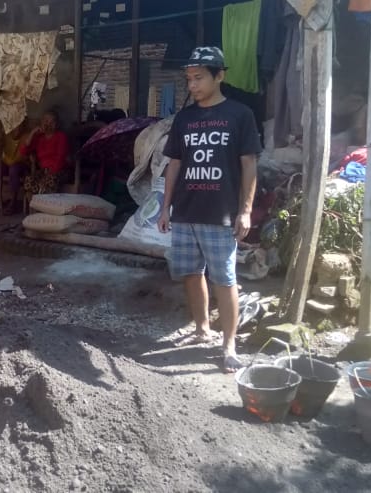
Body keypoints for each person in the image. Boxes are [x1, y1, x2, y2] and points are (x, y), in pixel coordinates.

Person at [157, 47, 262, 372]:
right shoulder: (184, 119)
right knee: (190, 273)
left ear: (220, 76)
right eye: (188, 79)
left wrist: (246, 210)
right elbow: (174, 164)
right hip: (186, 211)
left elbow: (249, 165)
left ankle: (228, 345)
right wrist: (165, 207)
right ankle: (202, 329)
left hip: (220, 214)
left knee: (225, 279)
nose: (192, 85)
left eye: (198, 78)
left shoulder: (240, 115)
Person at [0, 119, 29, 216]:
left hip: (20, 164)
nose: (16, 127)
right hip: (7, 162)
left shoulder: (26, 136)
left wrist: (10, 162)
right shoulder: (5, 135)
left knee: (14, 169)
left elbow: (20, 157)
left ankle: (13, 203)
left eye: (19, 124)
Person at [21, 110, 71, 198]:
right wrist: (33, 133)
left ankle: (46, 208)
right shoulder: (39, 138)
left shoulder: (61, 137)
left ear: (57, 124)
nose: (49, 124)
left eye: (53, 122)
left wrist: (49, 174)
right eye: (46, 121)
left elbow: (60, 158)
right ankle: (35, 208)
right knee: (29, 180)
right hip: (44, 171)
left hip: (59, 171)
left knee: (49, 181)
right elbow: (23, 151)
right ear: (42, 123)